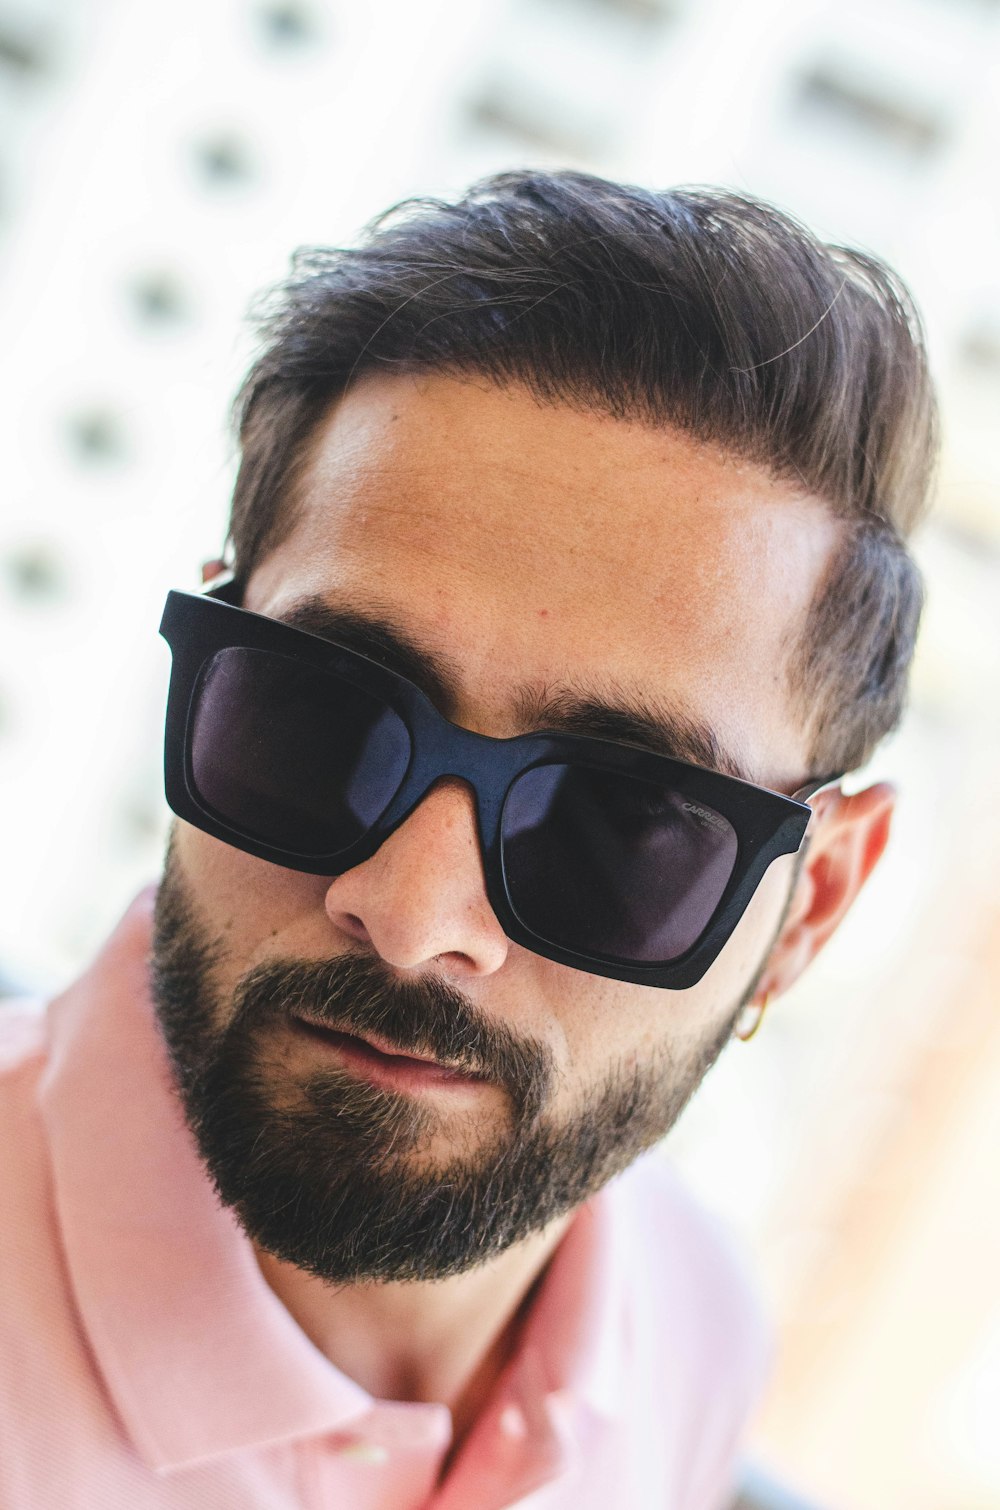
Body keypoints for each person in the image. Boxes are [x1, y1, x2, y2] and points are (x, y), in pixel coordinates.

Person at [0, 170, 936, 1509]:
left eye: (622, 821)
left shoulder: (682, 1322)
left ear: (813, 906)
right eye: (320, 718)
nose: (412, 906)